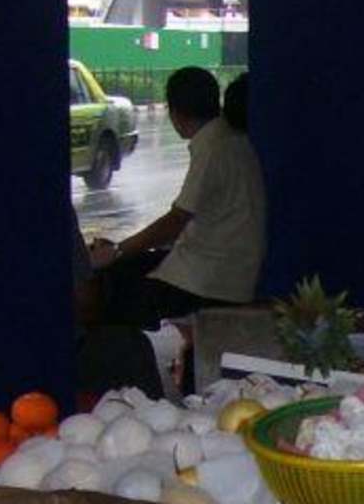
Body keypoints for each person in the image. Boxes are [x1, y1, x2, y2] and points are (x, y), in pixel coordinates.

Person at [89, 66, 267, 330]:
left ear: (175, 113)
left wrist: (117, 251)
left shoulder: (212, 149)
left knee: (109, 288)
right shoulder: (231, 140)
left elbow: (175, 221)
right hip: (224, 269)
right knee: (128, 266)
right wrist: (121, 249)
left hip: (208, 280)